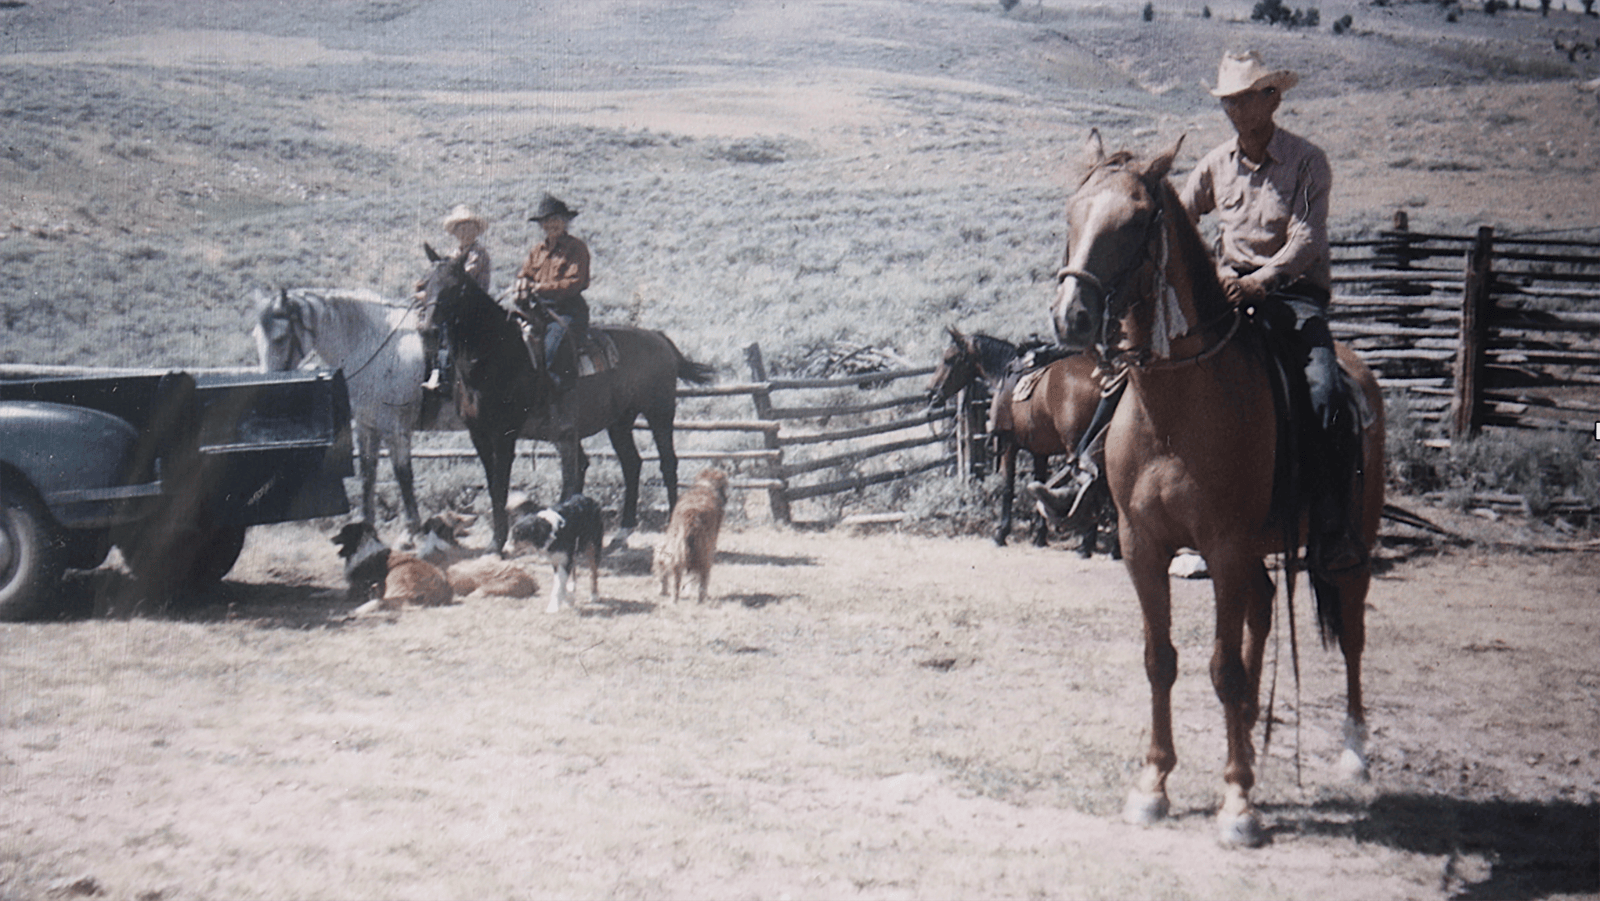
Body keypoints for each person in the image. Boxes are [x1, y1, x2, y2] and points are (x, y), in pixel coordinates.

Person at [1030, 50, 1363, 571]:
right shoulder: (1215, 165)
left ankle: (1330, 520)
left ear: (1271, 99)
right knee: (1131, 375)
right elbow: (1177, 225)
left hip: (1291, 299)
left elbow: (1307, 240)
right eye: (1226, 100)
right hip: (1223, 298)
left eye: (1242, 98)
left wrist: (1259, 280)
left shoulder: (1306, 162)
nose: (1232, 109)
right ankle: (1084, 481)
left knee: (1324, 388)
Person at [514, 194, 591, 393]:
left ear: (565, 222)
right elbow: (525, 273)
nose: (551, 224)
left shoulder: (576, 248)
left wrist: (541, 288)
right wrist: (522, 284)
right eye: (546, 221)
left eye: (556, 219)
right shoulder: (536, 250)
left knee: (553, 347)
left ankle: (559, 400)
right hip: (538, 310)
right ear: (541, 225)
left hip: (568, 310)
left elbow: (575, 282)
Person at [420, 204, 492, 393]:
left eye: (469, 226)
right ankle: (431, 369)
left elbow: (457, 280)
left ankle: (446, 377)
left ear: (476, 230)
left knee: (450, 334)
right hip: (455, 305)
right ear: (455, 232)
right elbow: (439, 276)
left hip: (474, 305)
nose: (465, 230)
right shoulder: (452, 256)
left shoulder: (478, 254)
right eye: (460, 227)